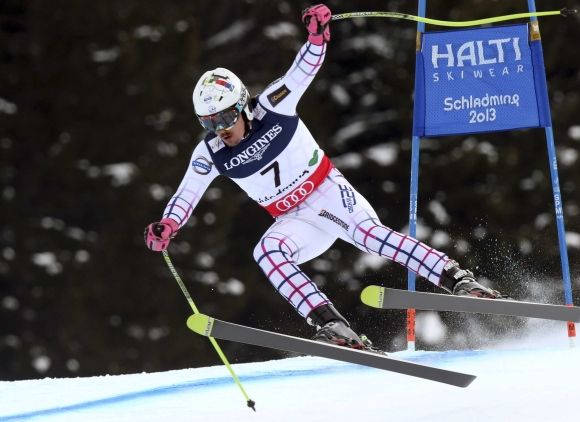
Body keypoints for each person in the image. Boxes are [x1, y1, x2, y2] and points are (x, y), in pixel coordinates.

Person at [144, 4, 505, 352]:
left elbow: (301, 72)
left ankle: (457, 278)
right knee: (267, 252)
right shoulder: (210, 153)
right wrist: (169, 224)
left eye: (223, 119)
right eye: (207, 123)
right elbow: (187, 194)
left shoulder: (273, 105)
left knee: (370, 237)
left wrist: (317, 39)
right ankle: (331, 324)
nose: (219, 130)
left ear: (241, 106)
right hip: (295, 218)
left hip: (326, 191)